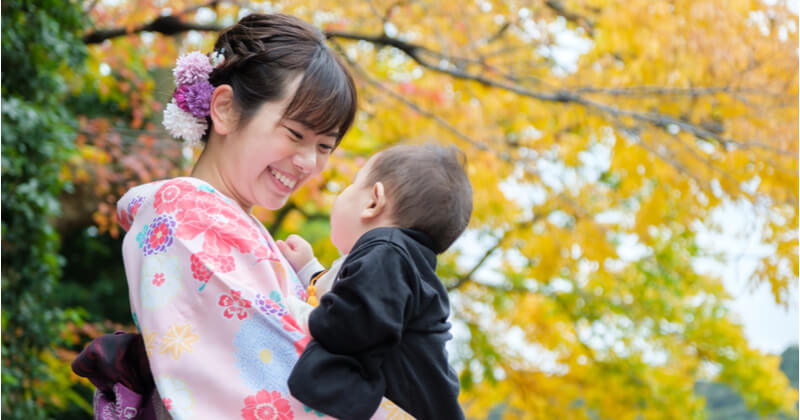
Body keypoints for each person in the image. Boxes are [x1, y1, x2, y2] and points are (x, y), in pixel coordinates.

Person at [73, 13, 410, 420]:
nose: (308, 162)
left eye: (325, 146)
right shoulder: (184, 215)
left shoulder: (222, 221)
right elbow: (282, 371)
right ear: (227, 109)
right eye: (295, 133)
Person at [276, 144, 472, 420]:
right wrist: (308, 268)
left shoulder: (388, 252)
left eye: (353, 183)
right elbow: (346, 297)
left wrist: (291, 311)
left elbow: (354, 320)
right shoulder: (396, 262)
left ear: (373, 201)